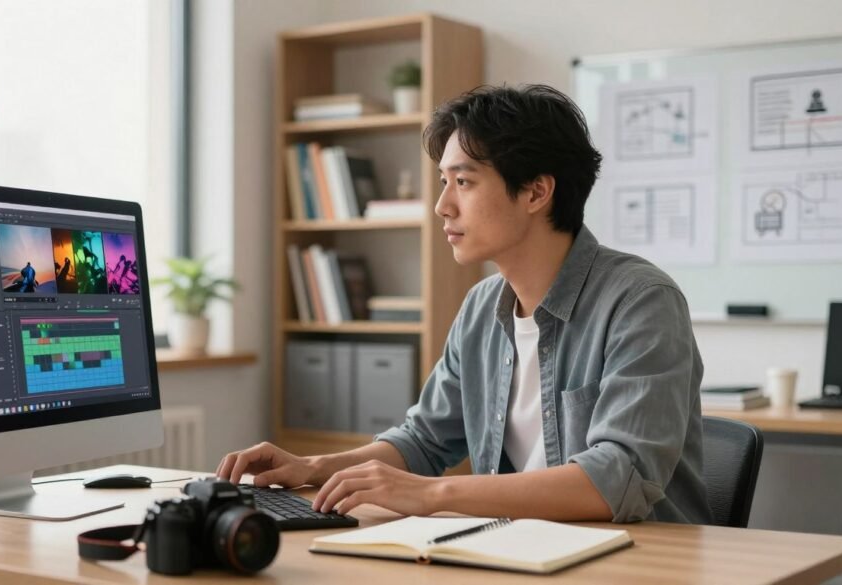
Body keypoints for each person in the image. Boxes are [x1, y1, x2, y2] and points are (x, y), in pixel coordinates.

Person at [218, 84, 712, 524]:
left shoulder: (641, 301)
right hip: (522, 550)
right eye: (443, 182)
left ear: (536, 191)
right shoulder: (481, 307)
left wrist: (432, 494)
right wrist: (313, 467)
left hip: (639, 560)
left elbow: (618, 477)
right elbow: (424, 441)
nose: (442, 206)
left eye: (464, 182)